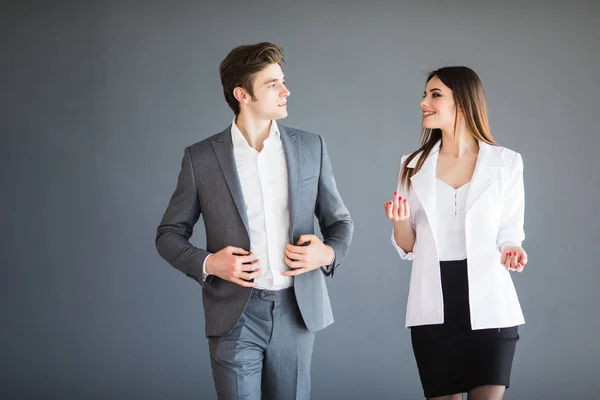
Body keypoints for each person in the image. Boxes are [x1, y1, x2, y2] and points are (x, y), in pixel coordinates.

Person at [156, 42, 353, 400]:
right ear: (242, 94)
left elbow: (340, 224)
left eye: (283, 81)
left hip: (296, 312)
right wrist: (209, 262)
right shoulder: (201, 158)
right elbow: (169, 234)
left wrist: (326, 254)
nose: (286, 91)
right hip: (234, 315)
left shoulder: (311, 147)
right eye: (272, 84)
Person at [384, 66, 527, 400]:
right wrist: (400, 222)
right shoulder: (412, 165)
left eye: (435, 95)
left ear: (462, 103)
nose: (424, 102)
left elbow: (510, 230)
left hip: (491, 308)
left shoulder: (506, 163)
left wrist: (511, 249)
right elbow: (408, 247)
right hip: (433, 305)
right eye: (425, 94)